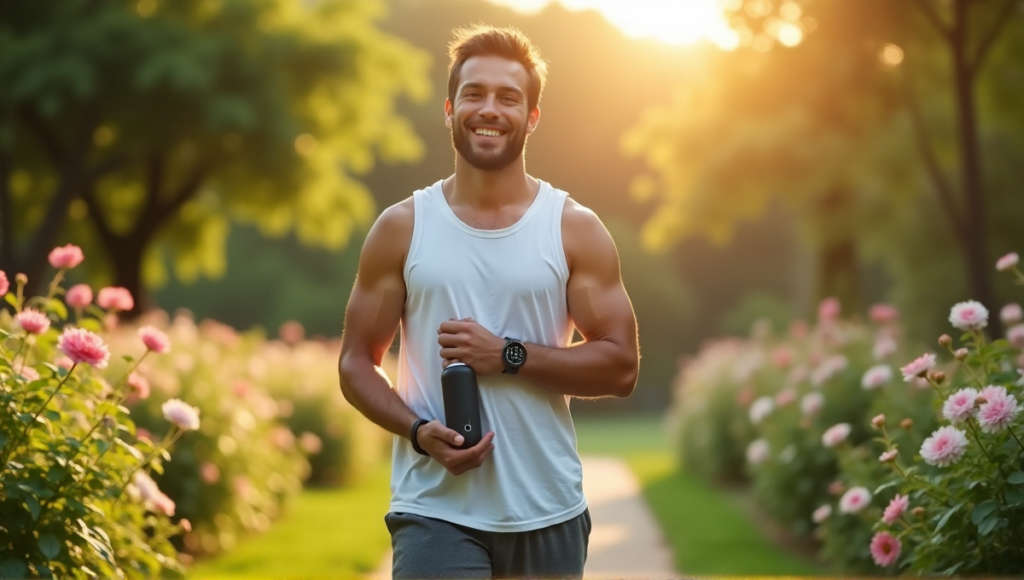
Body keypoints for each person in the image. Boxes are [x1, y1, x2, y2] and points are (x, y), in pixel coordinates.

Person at [337, 24, 639, 580]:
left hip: (547, 509)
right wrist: (416, 432)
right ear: (450, 110)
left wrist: (509, 355)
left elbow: (620, 366)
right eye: (474, 94)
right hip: (434, 509)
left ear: (533, 117)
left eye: (508, 97)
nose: (489, 109)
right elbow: (356, 361)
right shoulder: (402, 228)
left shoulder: (574, 229)